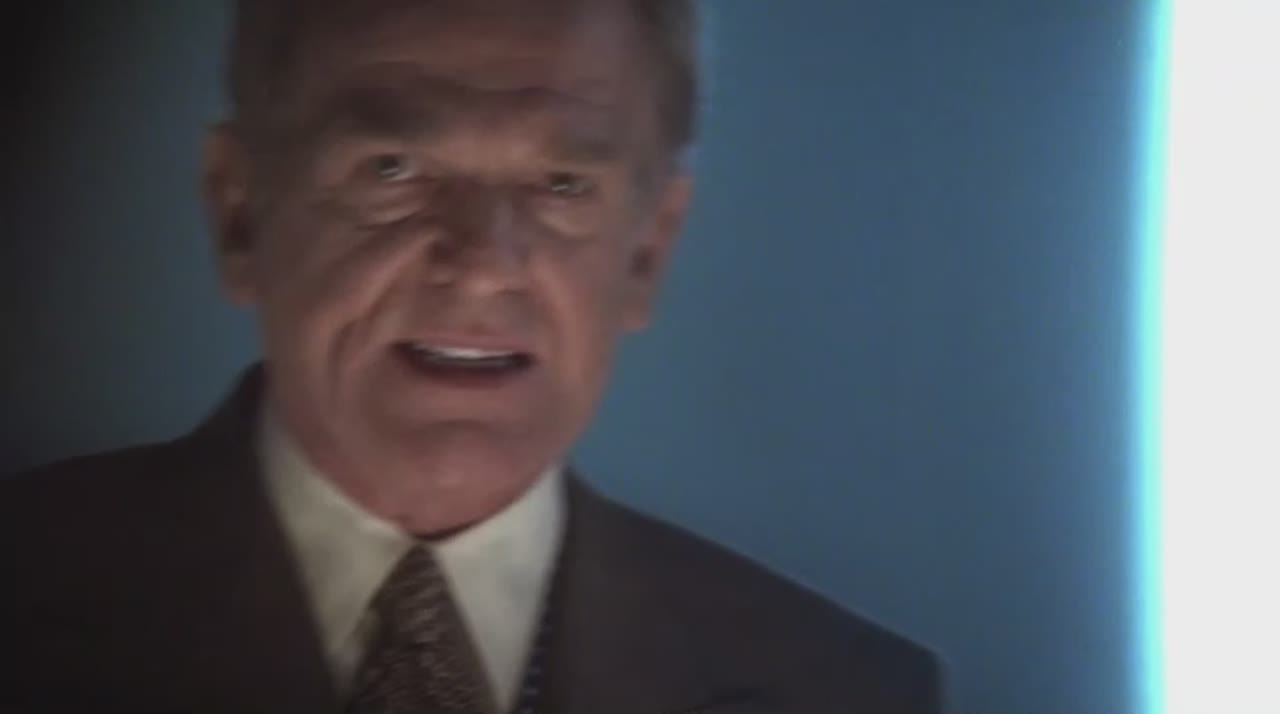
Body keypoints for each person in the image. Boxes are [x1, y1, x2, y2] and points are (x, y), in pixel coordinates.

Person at [0, 1, 942, 712]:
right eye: (393, 169)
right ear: (239, 213)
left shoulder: (847, 690)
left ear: (647, 253)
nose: (484, 265)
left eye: (562, 183)